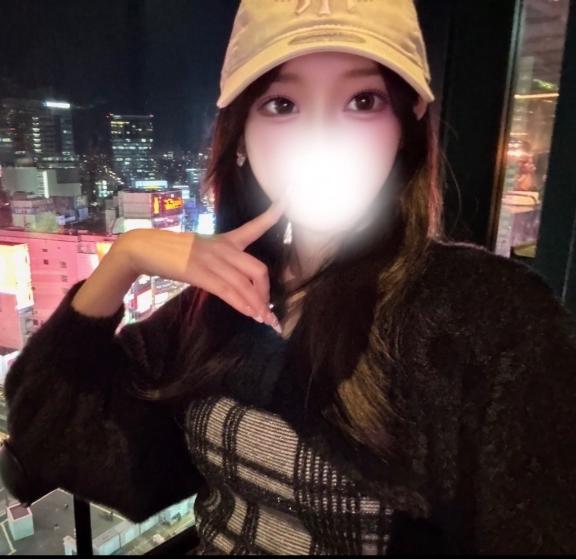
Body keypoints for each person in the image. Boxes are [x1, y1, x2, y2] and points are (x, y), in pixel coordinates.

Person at [1, 0, 575, 555]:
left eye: (363, 100)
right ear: (241, 139)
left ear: (405, 125)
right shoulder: (225, 299)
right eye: (282, 104)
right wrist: (127, 257)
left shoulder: (491, 317)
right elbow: (55, 431)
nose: (322, 136)